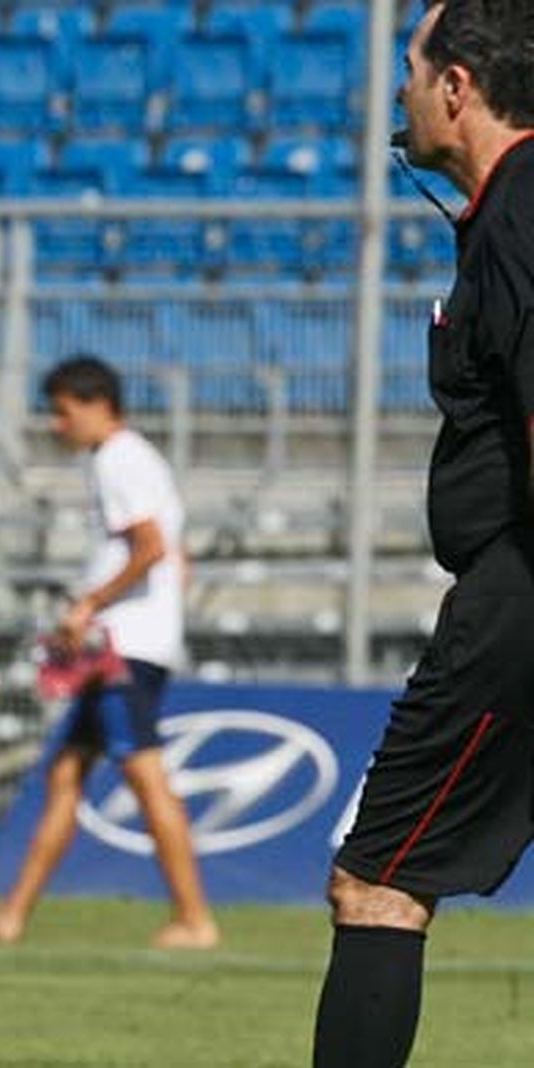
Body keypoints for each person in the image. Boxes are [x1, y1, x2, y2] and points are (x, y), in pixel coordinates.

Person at [314, 3, 534, 1065]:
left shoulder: (524, 208)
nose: (396, 88)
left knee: (380, 880)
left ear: (456, 87)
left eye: (409, 66)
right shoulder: (503, 209)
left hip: (520, 603)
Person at [0, 356, 218, 951]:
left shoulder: (119, 459)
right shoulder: (135, 459)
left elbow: (151, 546)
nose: (58, 425)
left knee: (146, 774)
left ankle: (194, 918)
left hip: (123, 647)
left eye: (62, 411)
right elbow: (170, 551)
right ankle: (13, 915)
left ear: (97, 404)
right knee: (65, 775)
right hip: (124, 642)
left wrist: (88, 606)